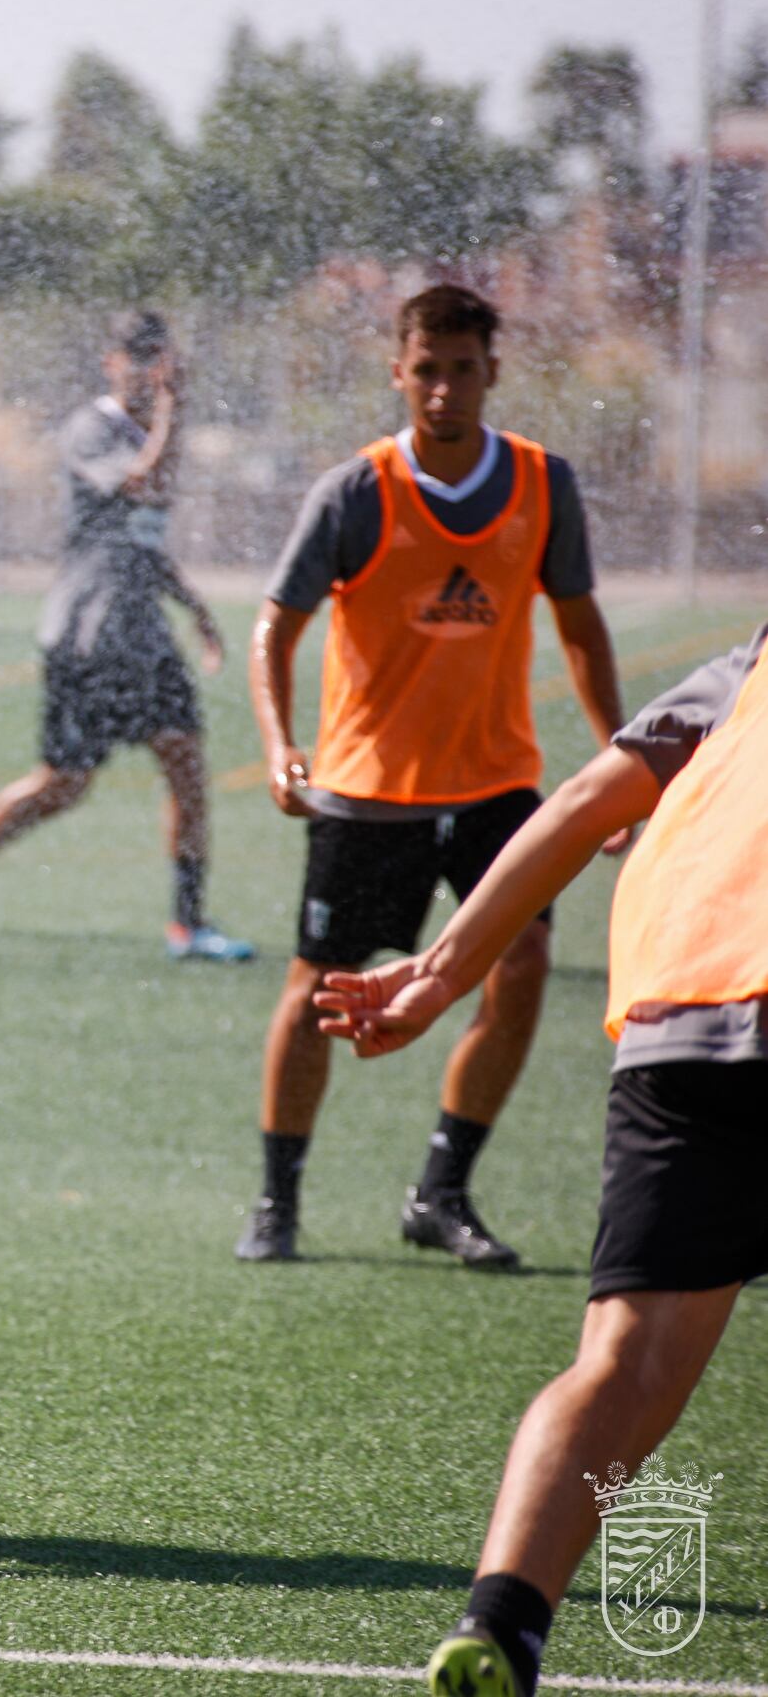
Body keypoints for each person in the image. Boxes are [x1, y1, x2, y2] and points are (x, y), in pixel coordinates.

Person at [309, 622, 768, 1697]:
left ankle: (504, 1624)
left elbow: (578, 806)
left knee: (621, 1370)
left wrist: (439, 972)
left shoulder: (748, 670)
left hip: (684, 1018)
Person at [238, 284, 627, 1268]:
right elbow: (275, 626)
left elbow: (580, 627)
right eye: (426, 370)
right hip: (369, 789)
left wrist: (629, 758)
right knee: (319, 994)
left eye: (462, 368)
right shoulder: (357, 492)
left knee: (527, 969)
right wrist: (280, 742)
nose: (444, 389)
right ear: (397, 371)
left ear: (493, 370)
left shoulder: (545, 485)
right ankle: (277, 1199)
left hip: (497, 786)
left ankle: (442, 1190)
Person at [0, 310, 252, 961]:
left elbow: (143, 540)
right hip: (89, 634)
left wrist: (196, 609)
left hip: (145, 635)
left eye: (159, 357)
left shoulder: (155, 429)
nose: (148, 369)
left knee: (185, 762)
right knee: (65, 784)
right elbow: (142, 483)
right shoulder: (90, 429)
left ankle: (188, 925)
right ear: (111, 362)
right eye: (136, 356)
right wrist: (174, 414)